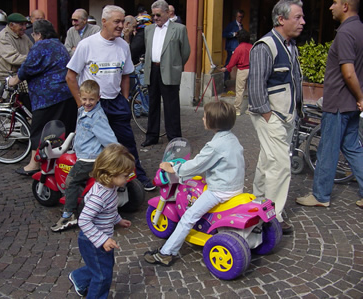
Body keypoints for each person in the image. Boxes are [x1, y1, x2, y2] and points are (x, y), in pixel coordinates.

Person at [66, 5, 156, 192]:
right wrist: (81, 105)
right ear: (104, 22)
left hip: (116, 102)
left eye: (123, 21)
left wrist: (124, 99)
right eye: (117, 21)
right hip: (93, 104)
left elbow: (125, 75)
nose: (121, 25)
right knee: (92, 145)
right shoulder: (87, 45)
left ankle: (136, 176)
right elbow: (70, 76)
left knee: (127, 143)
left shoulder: (123, 45)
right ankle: (91, 182)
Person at [144, 100, 245, 266]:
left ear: (213, 122)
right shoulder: (232, 139)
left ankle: (166, 253)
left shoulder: (214, 145)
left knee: (188, 217)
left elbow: (196, 165)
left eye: (205, 117)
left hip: (220, 190)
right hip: (235, 187)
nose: (202, 119)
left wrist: (174, 169)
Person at [296, 0, 363, 209]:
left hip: (338, 103)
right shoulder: (359, 28)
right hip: (349, 103)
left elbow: (348, 71)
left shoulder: (345, 33)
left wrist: (360, 97)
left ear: (345, 6)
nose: (330, 7)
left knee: (327, 149)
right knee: (352, 147)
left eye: (334, 2)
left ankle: (320, 195)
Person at [248, 0, 305, 234]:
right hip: (272, 116)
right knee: (280, 165)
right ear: (281, 19)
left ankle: (258, 203)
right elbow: (255, 87)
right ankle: (273, 217)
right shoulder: (265, 45)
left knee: (267, 160)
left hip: (285, 115)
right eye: (298, 17)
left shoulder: (290, 45)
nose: (303, 22)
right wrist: (268, 115)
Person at [8, 20, 77, 175]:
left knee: (39, 129)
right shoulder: (58, 44)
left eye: (34, 34)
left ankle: (34, 164)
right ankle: (61, 162)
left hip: (47, 96)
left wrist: (13, 80)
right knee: (63, 129)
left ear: (39, 34)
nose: (33, 37)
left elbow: (27, 67)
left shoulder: (41, 46)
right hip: (67, 93)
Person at [50, 80, 117, 232]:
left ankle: (69, 215)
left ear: (98, 98)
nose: (88, 103)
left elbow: (109, 138)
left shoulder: (97, 117)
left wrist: (117, 152)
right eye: (85, 99)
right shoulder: (82, 111)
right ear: (80, 97)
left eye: (91, 99)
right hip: (83, 152)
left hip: (89, 157)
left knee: (71, 181)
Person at [68, 143, 133, 298]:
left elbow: (109, 210)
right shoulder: (99, 196)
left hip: (100, 238)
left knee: (104, 266)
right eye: (125, 175)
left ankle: (79, 278)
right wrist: (103, 240)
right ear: (111, 173)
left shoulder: (111, 188)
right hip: (93, 241)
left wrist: (118, 220)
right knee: (103, 276)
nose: (128, 178)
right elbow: (83, 220)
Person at [142, 0, 190, 146]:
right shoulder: (148, 30)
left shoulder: (179, 29)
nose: (155, 18)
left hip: (169, 70)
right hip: (153, 70)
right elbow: (147, 49)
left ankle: (174, 138)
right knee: (153, 104)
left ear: (167, 13)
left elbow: (185, 52)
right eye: (153, 15)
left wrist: (175, 65)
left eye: (158, 14)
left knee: (171, 107)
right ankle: (152, 136)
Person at [220, 29, 252, 116]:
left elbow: (233, 61)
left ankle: (237, 110)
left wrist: (227, 68)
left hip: (242, 70)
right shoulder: (252, 47)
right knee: (251, 90)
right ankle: (250, 109)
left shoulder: (238, 48)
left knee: (239, 90)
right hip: (252, 70)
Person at [0, 13, 33, 82]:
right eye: (21, 24)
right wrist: (33, 59)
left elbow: (33, 50)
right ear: (11, 25)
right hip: (8, 75)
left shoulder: (24, 37)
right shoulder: (3, 37)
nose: (25, 28)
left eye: (25, 24)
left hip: (22, 72)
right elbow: (13, 58)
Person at [131, 14, 153, 117]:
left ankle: (138, 110)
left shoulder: (141, 34)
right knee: (143, 88)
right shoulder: (149, 33)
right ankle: (145, 109)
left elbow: (133, 49)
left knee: (140, 88)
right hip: (145, 62)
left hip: (140, 63)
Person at [222, 9, 244, 82]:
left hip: (238, 47)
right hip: (232, 47)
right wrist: (233, 34)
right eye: (239, 17)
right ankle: (224, 80)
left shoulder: (241, 26)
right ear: (236, 17)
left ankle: (237, 80)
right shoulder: (231, 25)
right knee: (229, 64)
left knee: (239, 64)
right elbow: (224, 34)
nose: (240, 18)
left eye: (241, 17)